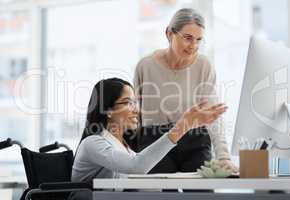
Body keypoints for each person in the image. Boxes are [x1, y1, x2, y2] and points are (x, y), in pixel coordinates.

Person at [70, 77, 227, 199]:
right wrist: (182, 127)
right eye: (128, 103)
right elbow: (136, 167)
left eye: (135, 103)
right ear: (108, 110)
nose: (136, 110)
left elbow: (139, 179)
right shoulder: (93, 143)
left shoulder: (125, 147)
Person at [132, 8, 237, 173]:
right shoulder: (145, 66)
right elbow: (134, 115)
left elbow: (212, 115)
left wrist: (223, 157)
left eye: (199, 39)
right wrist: (129, 158)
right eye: (188, 38)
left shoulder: (204, 66)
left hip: (195, 140)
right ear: (169, 34)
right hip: (155, 141)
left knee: (201, 194)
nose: (193, 46)